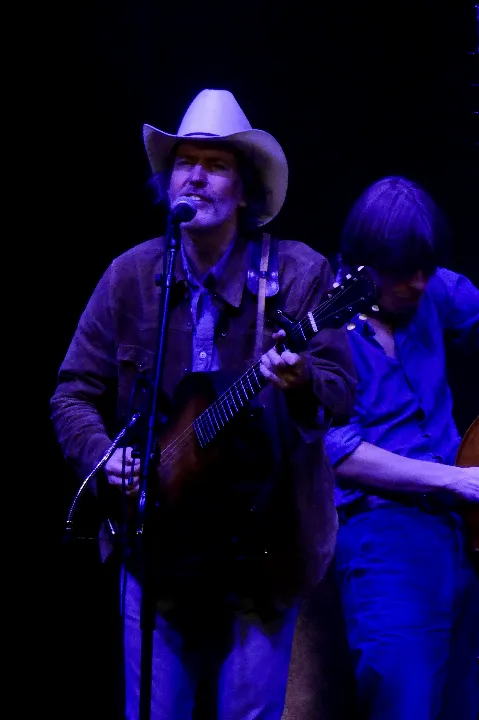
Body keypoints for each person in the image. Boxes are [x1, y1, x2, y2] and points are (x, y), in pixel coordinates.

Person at [50, 88, 358, 719]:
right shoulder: (131, 277)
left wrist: (300, 382)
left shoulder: (300, 274)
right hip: (156, 548)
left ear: (244, 191)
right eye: (184, 162)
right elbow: (72, 393)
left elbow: (341, 390)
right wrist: (105, 457)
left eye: (216, 164)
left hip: (262, 552)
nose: (194, 175)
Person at [320, 175, 479, 719]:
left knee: (463, 705)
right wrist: (455, 479)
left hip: (461, 537)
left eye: (426, 269)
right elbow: (338, 451)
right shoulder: (322, 318)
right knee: (406, 704)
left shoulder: (435, 290)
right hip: (382, 539)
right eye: (404, 275)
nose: (419, 284)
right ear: (362, 264)